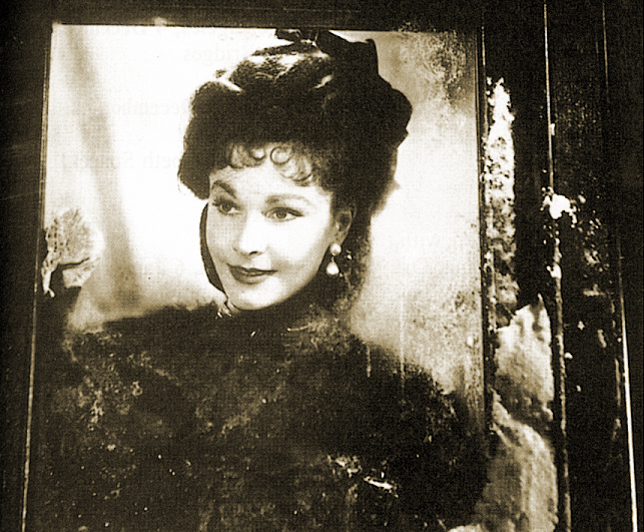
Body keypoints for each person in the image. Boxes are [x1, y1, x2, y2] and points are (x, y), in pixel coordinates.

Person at [35, 30, 486, 531]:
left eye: (283, 212)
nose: (245, 242)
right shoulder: (123, 361)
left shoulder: (403, 411)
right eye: (227, 205)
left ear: (340, 224)